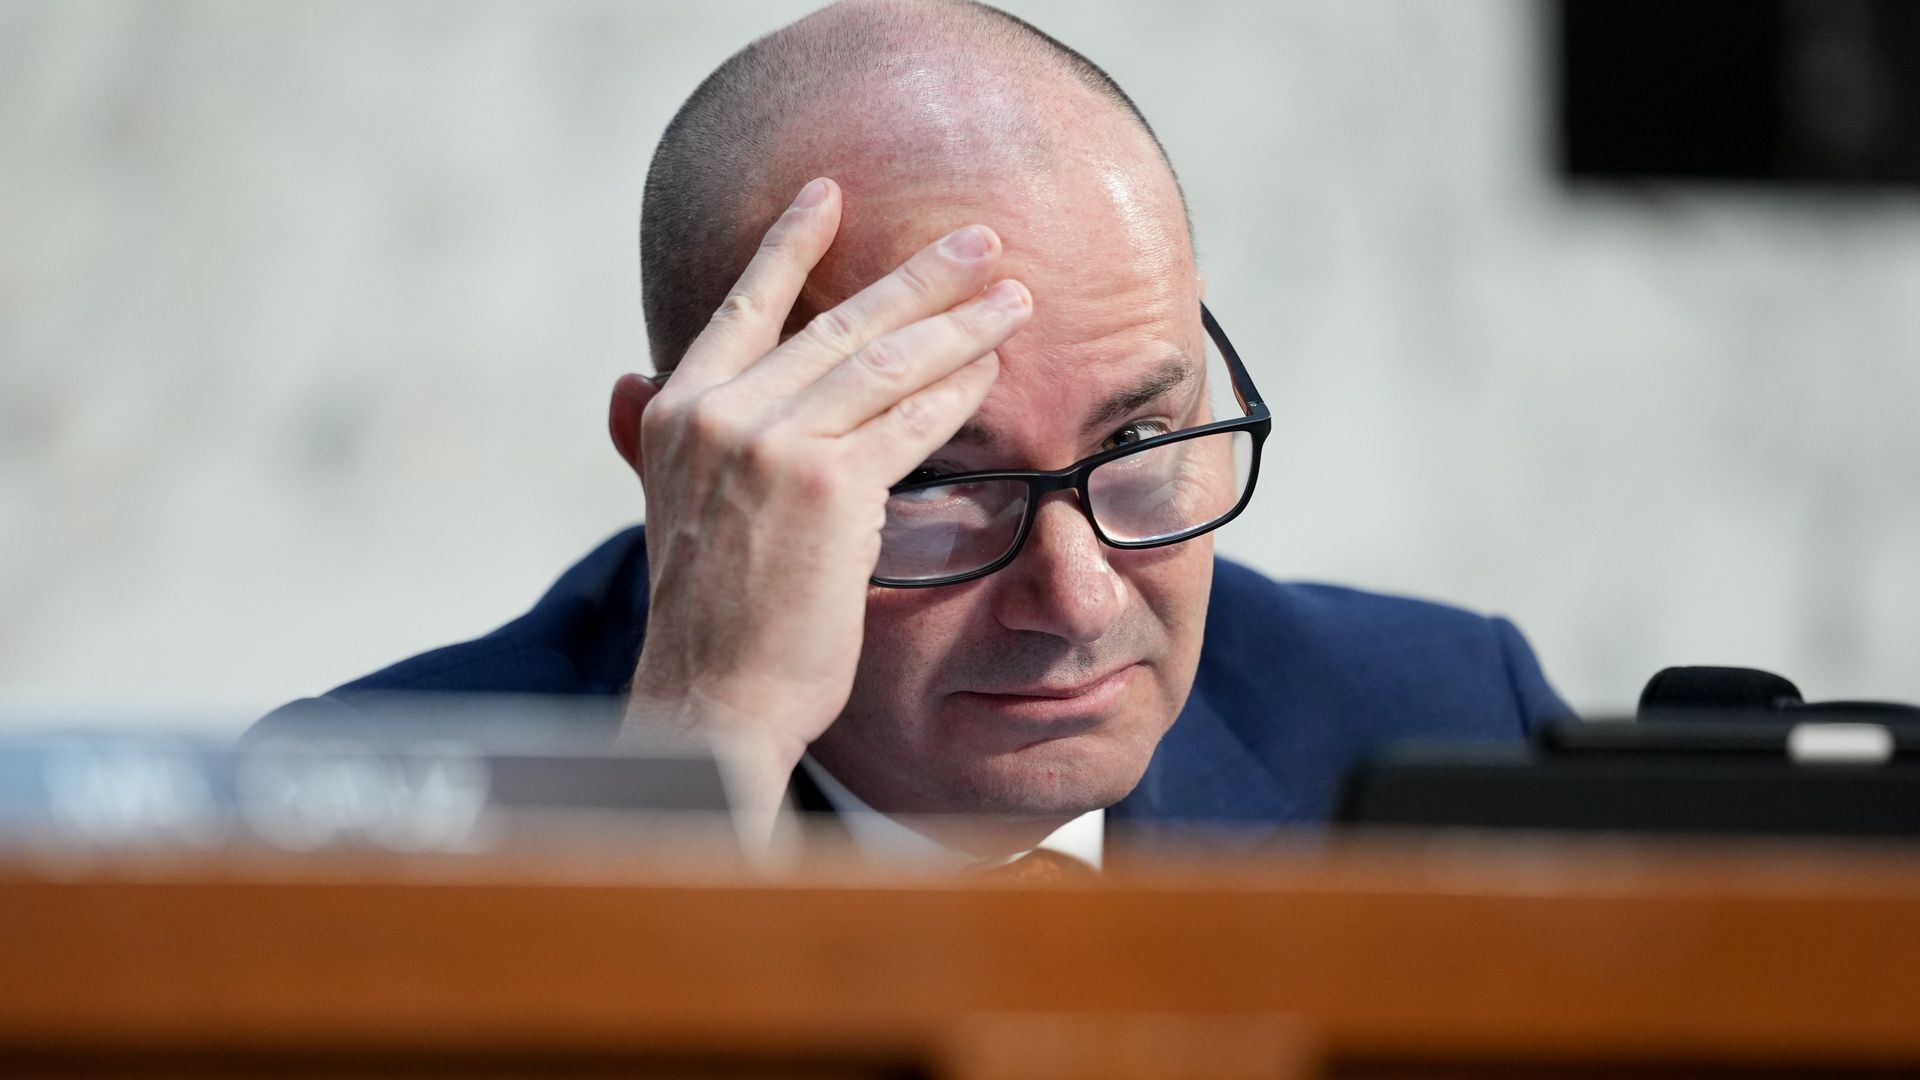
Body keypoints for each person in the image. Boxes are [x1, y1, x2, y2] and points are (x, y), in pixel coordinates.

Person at [258, 0, 1570, 865]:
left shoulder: (1450, 728)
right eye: (932, 481)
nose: (1075, 593)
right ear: (683, 479)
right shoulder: (365, 817)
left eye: (1139, 439)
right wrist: (708, 740)